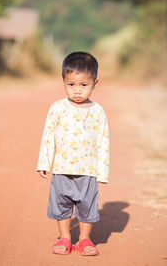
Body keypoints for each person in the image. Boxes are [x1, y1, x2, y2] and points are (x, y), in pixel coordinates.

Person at [36, 51, 110, 256]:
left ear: (95, 82)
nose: (77, 90)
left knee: (87, 206)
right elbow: (48, 136)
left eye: (83, 85)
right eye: (71, 84)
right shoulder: (57, 108)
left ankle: (85, 239)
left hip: (88, 171)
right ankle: (65, 237)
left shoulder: (97, 112)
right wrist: (44, 162)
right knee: (62, 205)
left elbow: (103, 142)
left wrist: (102, 172)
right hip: (61, 169)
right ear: (64, 82)